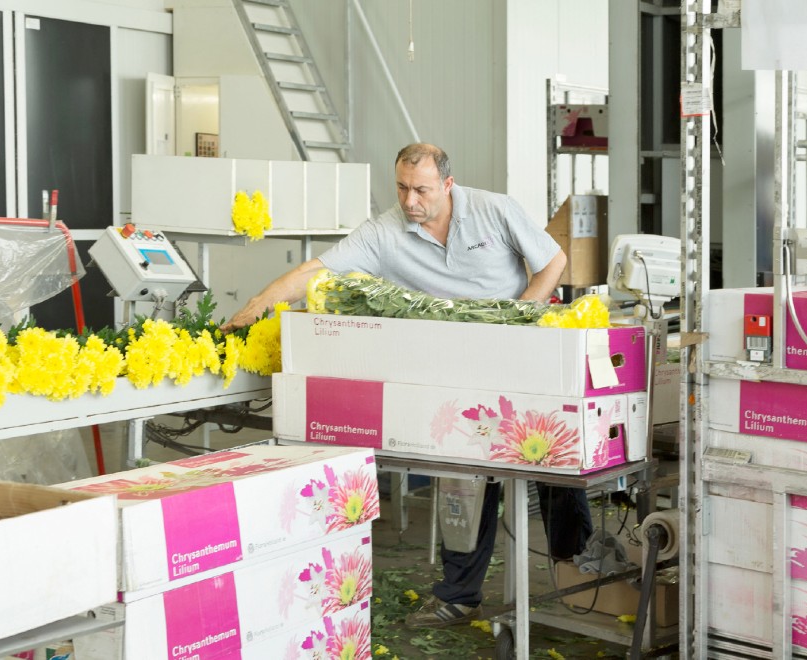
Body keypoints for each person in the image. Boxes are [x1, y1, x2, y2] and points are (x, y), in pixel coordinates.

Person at [222, 143, 594, 628]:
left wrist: (520, 314)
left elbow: (554, 260)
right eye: (402, 188)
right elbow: (320, 269)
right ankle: (460, 597)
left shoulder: (495, 210)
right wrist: (261, 299)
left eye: (421, 190)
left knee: (550, 457)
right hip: (451, 368)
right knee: (463, 477)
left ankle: (577, 563)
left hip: (517, 351)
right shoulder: (385, 232)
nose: (410, 201)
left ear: (447, 184)